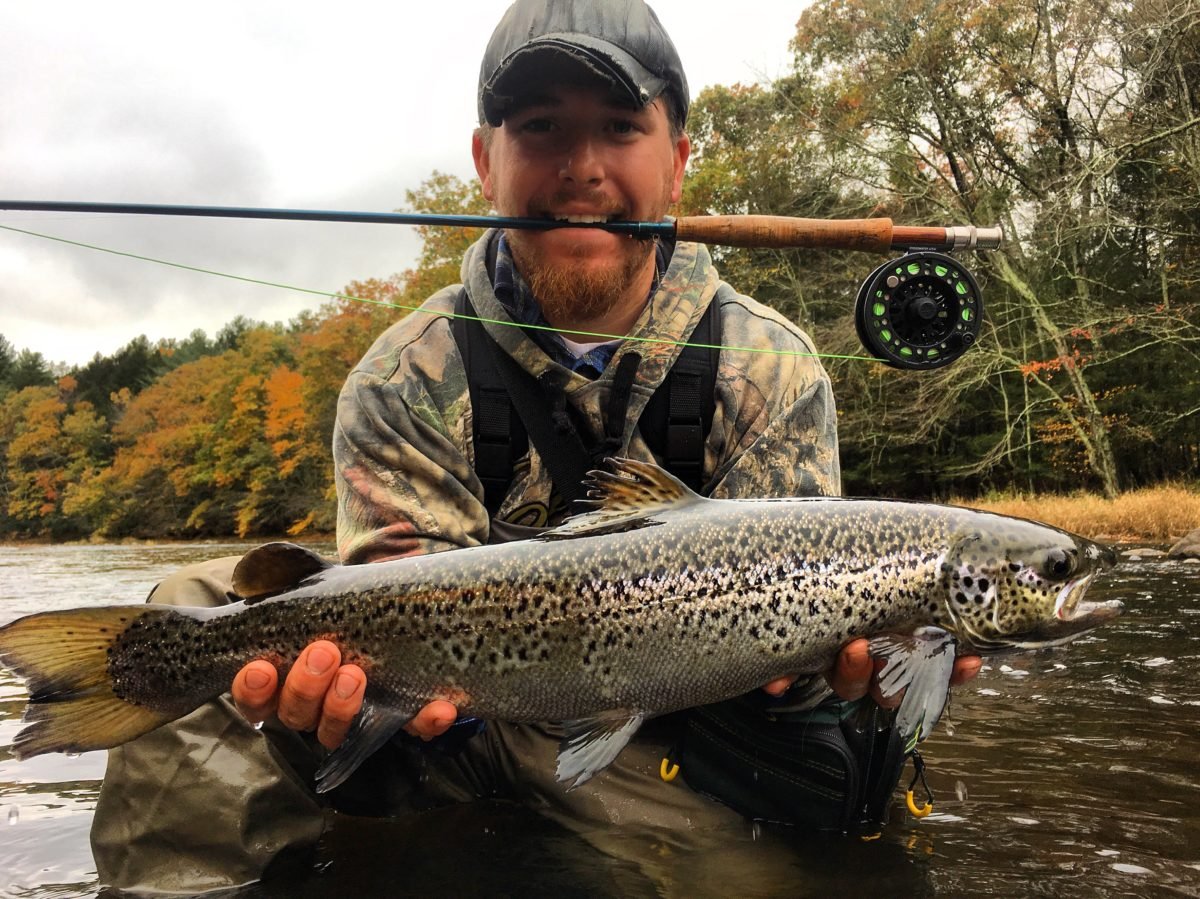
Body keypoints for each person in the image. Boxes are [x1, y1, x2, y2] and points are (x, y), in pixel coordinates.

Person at [90, 0, 979, 892]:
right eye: (542, 127)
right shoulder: (406, 371)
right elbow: (395, 602)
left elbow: (809, 664)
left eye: (621, 128)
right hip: (450, 721)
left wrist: (865, 674)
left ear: (677, 164)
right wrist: (339, 690)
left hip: (659, 741)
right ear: (487, 161)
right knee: (197, 602)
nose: (581, 167)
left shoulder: (769, 365)